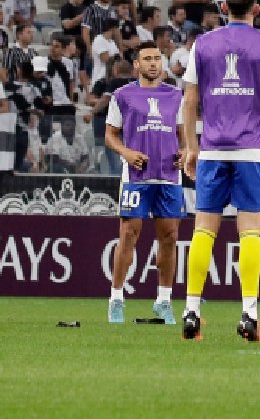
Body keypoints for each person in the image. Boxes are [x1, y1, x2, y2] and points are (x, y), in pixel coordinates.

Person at [181, 0, 260, 344]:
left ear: (223, 8)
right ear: (256, 8)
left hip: (212, 148)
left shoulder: (202, 44)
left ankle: (192, 310)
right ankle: (249, 314)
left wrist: (191, 146)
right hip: (252, 149)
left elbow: (189, 101)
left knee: (203, 230)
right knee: (250, 232)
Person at [104, 43, 186, 325]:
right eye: (147, 59)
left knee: (170, 238)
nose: (153, 63)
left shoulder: (176, 95)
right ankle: (116, 299)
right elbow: (110, 135)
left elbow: (183, 133)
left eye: (156, 59)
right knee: (128, 235)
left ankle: (163, 301)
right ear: (136, 65)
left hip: (169, 177)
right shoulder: (122, 96)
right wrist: (125, 152)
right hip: (136, 177)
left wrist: (187, 152)